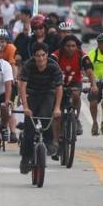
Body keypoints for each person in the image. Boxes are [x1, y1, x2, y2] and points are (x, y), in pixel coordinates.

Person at [17, 43, 63, 174]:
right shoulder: (28, 66)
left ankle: (49, 142)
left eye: (43, 55)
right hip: (32, 94)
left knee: (45, 116)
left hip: (48, 93)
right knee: (29, 128)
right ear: (34, 57)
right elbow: (22, 87)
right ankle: (25, 159)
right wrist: (25, 107)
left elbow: (59, 88)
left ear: (47, 55)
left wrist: (57, 107)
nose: (41, 59)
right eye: (37, 56)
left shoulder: (54, 67)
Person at [51, 35, 93, 137]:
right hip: (58, 83)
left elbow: (89, 71)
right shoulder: (56, 55)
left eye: (73, 46)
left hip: (75, 82)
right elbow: (50, 71)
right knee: (58, 106)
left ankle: (76, 118)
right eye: (68, 46)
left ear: (77, 47)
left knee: (76, 95)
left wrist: (94, 85)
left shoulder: (82, 55)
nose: (70, 48)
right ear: (63, 46)